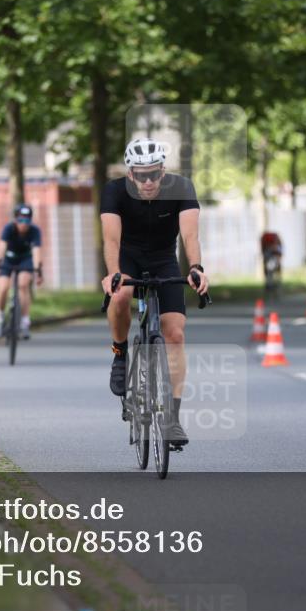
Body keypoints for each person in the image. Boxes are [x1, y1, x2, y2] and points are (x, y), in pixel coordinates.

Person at [100, 137, 209, 446]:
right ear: (130, 173)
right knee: (120, 295)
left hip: (163, 260)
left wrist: (196, 267)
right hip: (127, 257)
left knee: (174, 333)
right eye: (140, 174)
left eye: (154, 174)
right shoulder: (114, 191)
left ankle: (173, 419)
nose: (148, 181)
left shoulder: (182, 188)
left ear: (163, 170)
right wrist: (113, 274)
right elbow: (110, 240)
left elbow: (190, 235)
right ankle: (120, 354)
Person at [0, 204, 43, 339]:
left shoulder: (35, 231)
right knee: (3, 287)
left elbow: (37, 252)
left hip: (25, 260)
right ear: (15, 220)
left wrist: (38, 272)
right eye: (21, 220)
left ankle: (25, 321)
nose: (24, 224)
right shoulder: (8, 229)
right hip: (8, 259)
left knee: (23, 284)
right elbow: (1, 249)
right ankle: (0, 318)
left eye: (27, 220)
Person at [260, 229, 283, 296]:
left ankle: (270, 288)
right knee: (274, 275)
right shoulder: (276, 245)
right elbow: (280, 254)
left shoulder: (267, 246)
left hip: (269, 261)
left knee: (269, 275)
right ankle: (275, 288)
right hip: (273, 261)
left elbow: (264, 255)